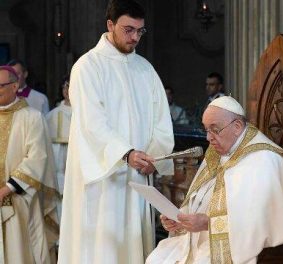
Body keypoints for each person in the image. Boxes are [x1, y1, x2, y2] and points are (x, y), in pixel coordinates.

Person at [57, 0, 174, 263]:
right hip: (104, 178)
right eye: (128, 29)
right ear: (110, 25)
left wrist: (155, 157)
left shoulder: (145, 69)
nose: (135, 37)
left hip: (139, 174)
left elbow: (162, 122)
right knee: (102, 247)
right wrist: (126, 153)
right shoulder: (88, 66)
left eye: (140, 31)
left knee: (133, 244)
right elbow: (92, 121)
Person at [147, 96, 283, 263]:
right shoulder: (217, 152)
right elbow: (201, 198)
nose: (208, 138)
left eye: (215, 129)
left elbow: (261, 222)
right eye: (206, 130)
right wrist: (181, 219)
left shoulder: (264, 160)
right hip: (199, 240)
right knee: (156, 259)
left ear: (237, 126)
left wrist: (208, 224)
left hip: (237, 247)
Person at [0, 65, 58, 264]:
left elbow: (37, 158)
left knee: (19, 252)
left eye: (0, 85)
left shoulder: (32, 118)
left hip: (19, 199)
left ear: (15, 86)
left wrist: (6, 189)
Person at [45, 75, 71, 218]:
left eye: (71, 86)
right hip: (59, 163)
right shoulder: (52, 115)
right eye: (65, 86)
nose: (67, 90)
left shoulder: (86, 114)